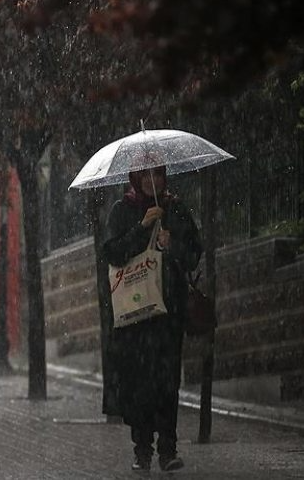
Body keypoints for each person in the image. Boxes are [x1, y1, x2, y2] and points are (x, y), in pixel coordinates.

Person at [103, 165, 202, 472]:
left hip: (168, 313)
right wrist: (142, 228)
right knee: (139, 383)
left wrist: (173, 246)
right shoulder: (123, 210)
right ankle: (142, 448)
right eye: (145, 176)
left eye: (156, 174)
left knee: (168, 381)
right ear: (136, 179)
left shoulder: (174, 208)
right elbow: (113, 253)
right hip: (135, 315)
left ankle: (168, 449)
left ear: (164, 177)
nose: (151, 181)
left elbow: (193, 255)